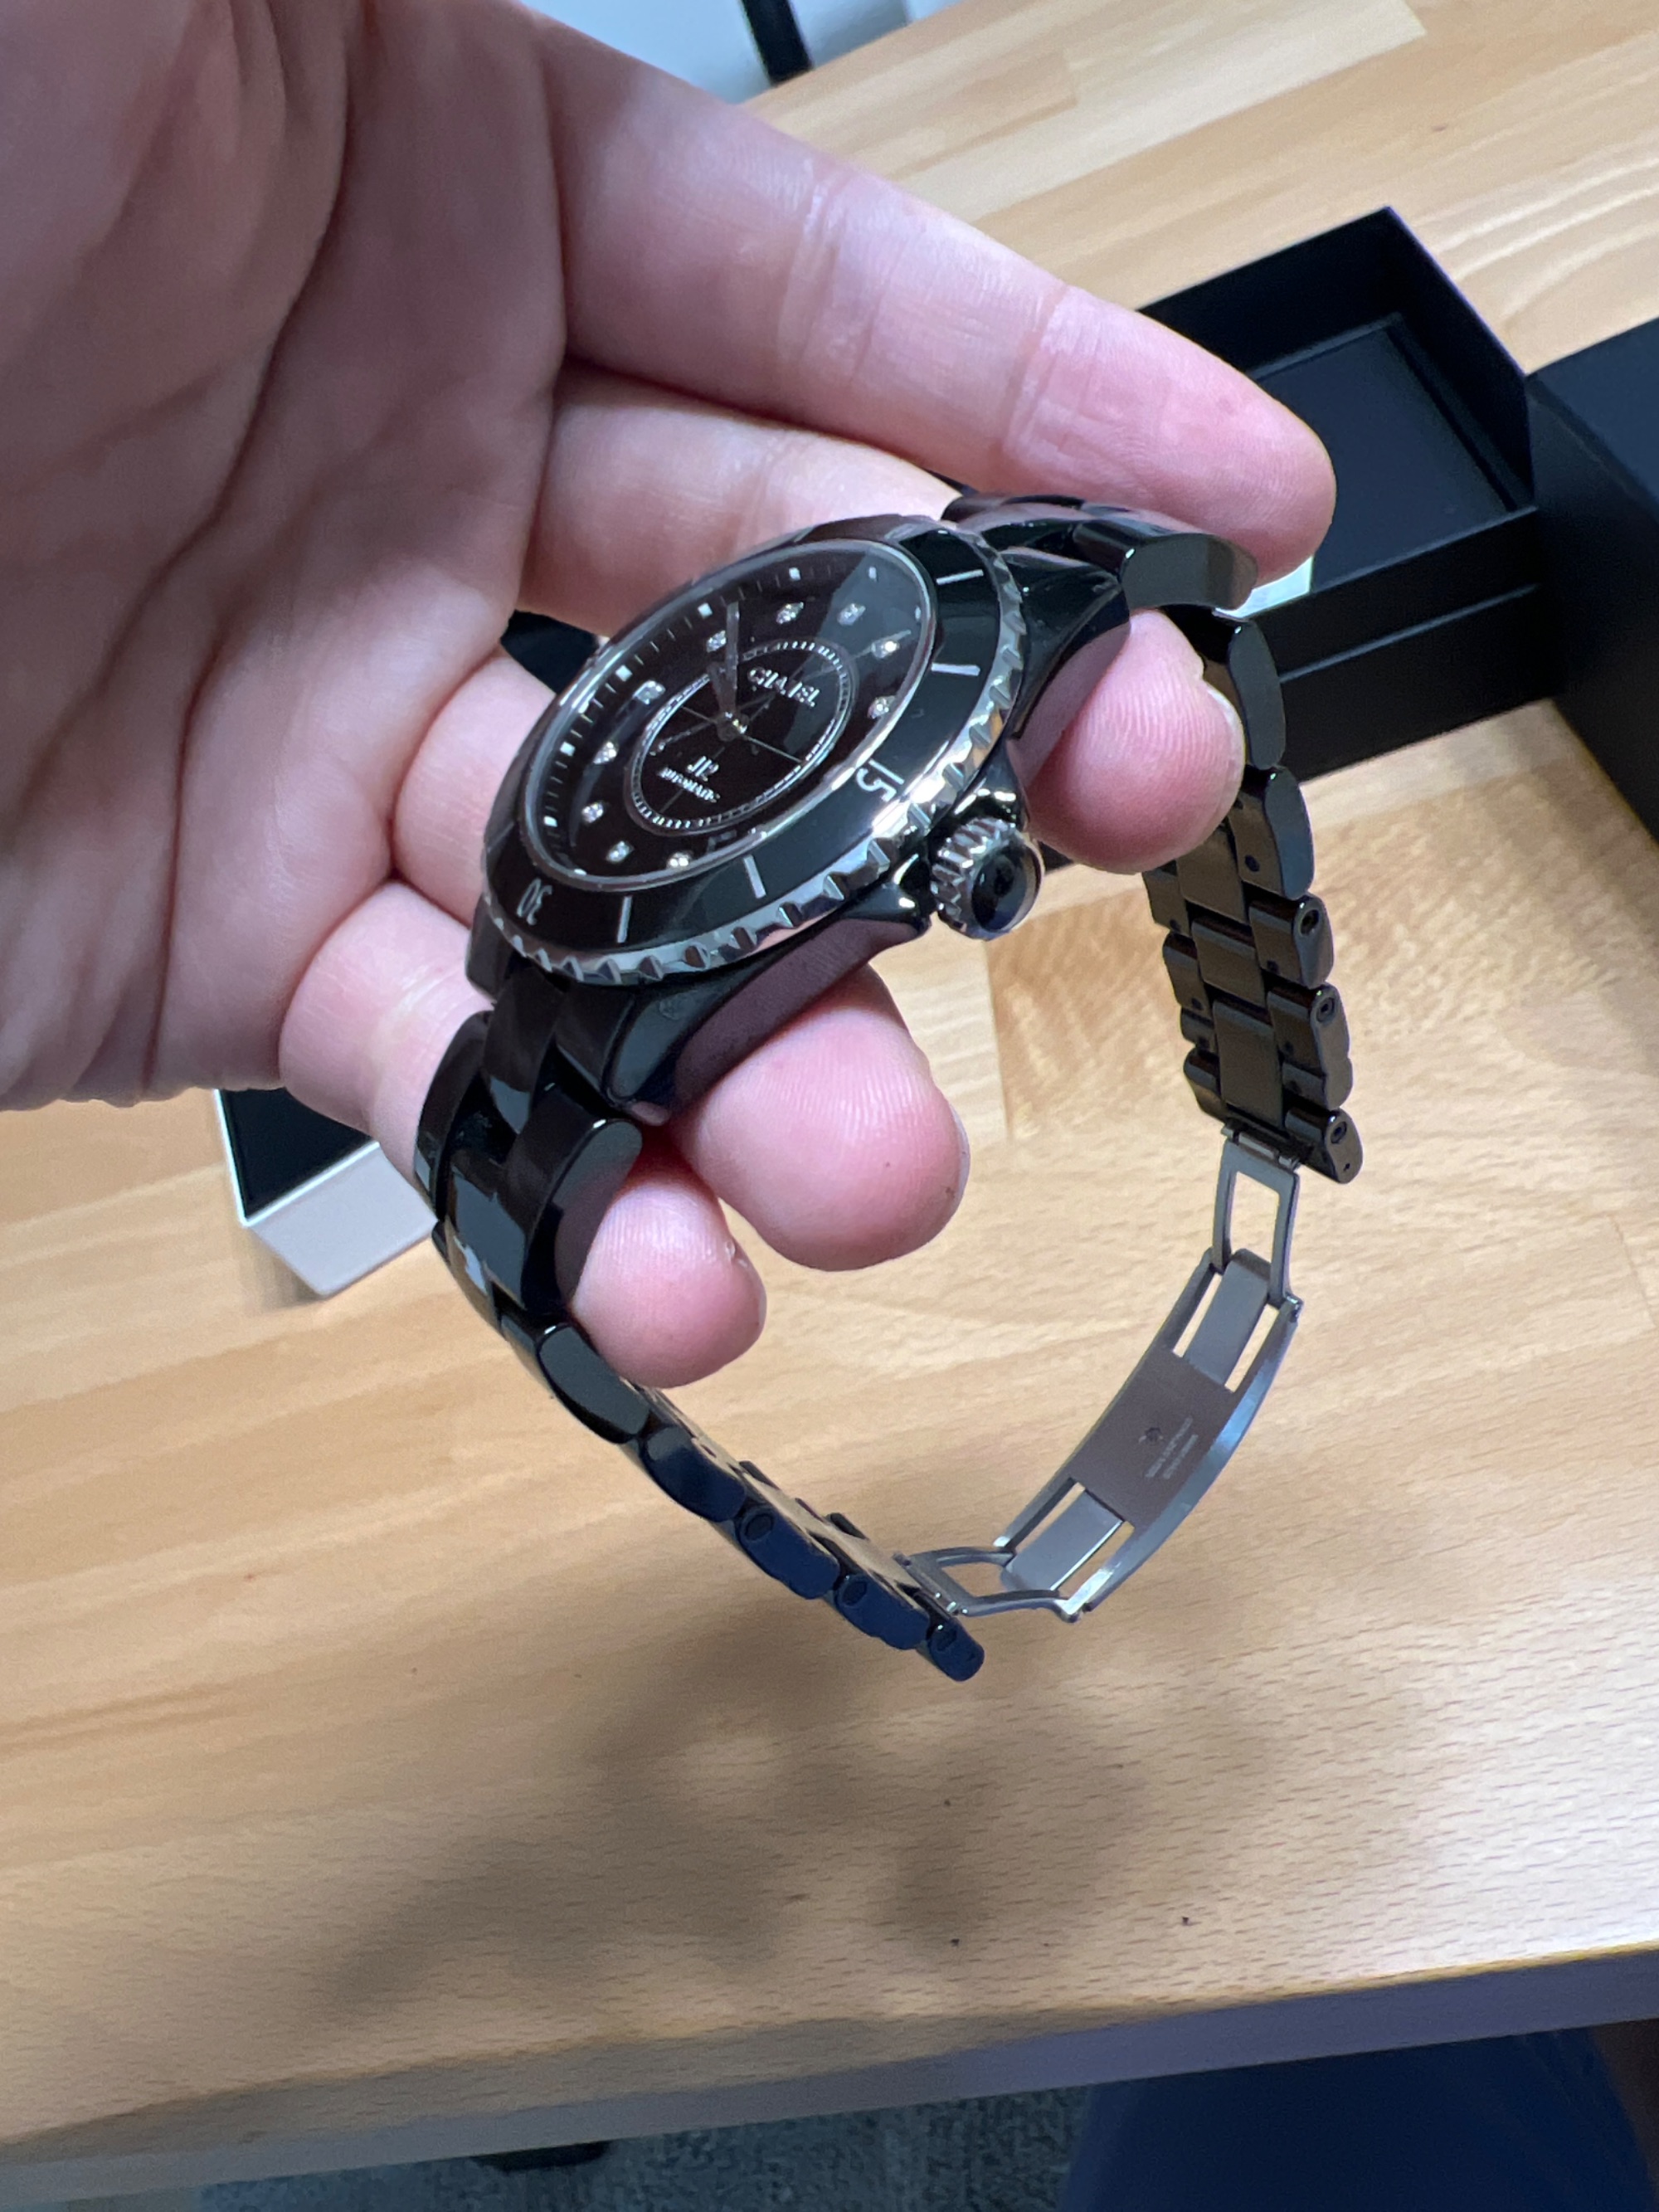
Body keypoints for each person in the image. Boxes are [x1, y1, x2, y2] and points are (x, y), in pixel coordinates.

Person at [0, 0, 1330, 1386]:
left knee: (1151, 747)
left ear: (968, 868)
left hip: (762, 739)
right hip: (595, 876)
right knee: (783, 1180)